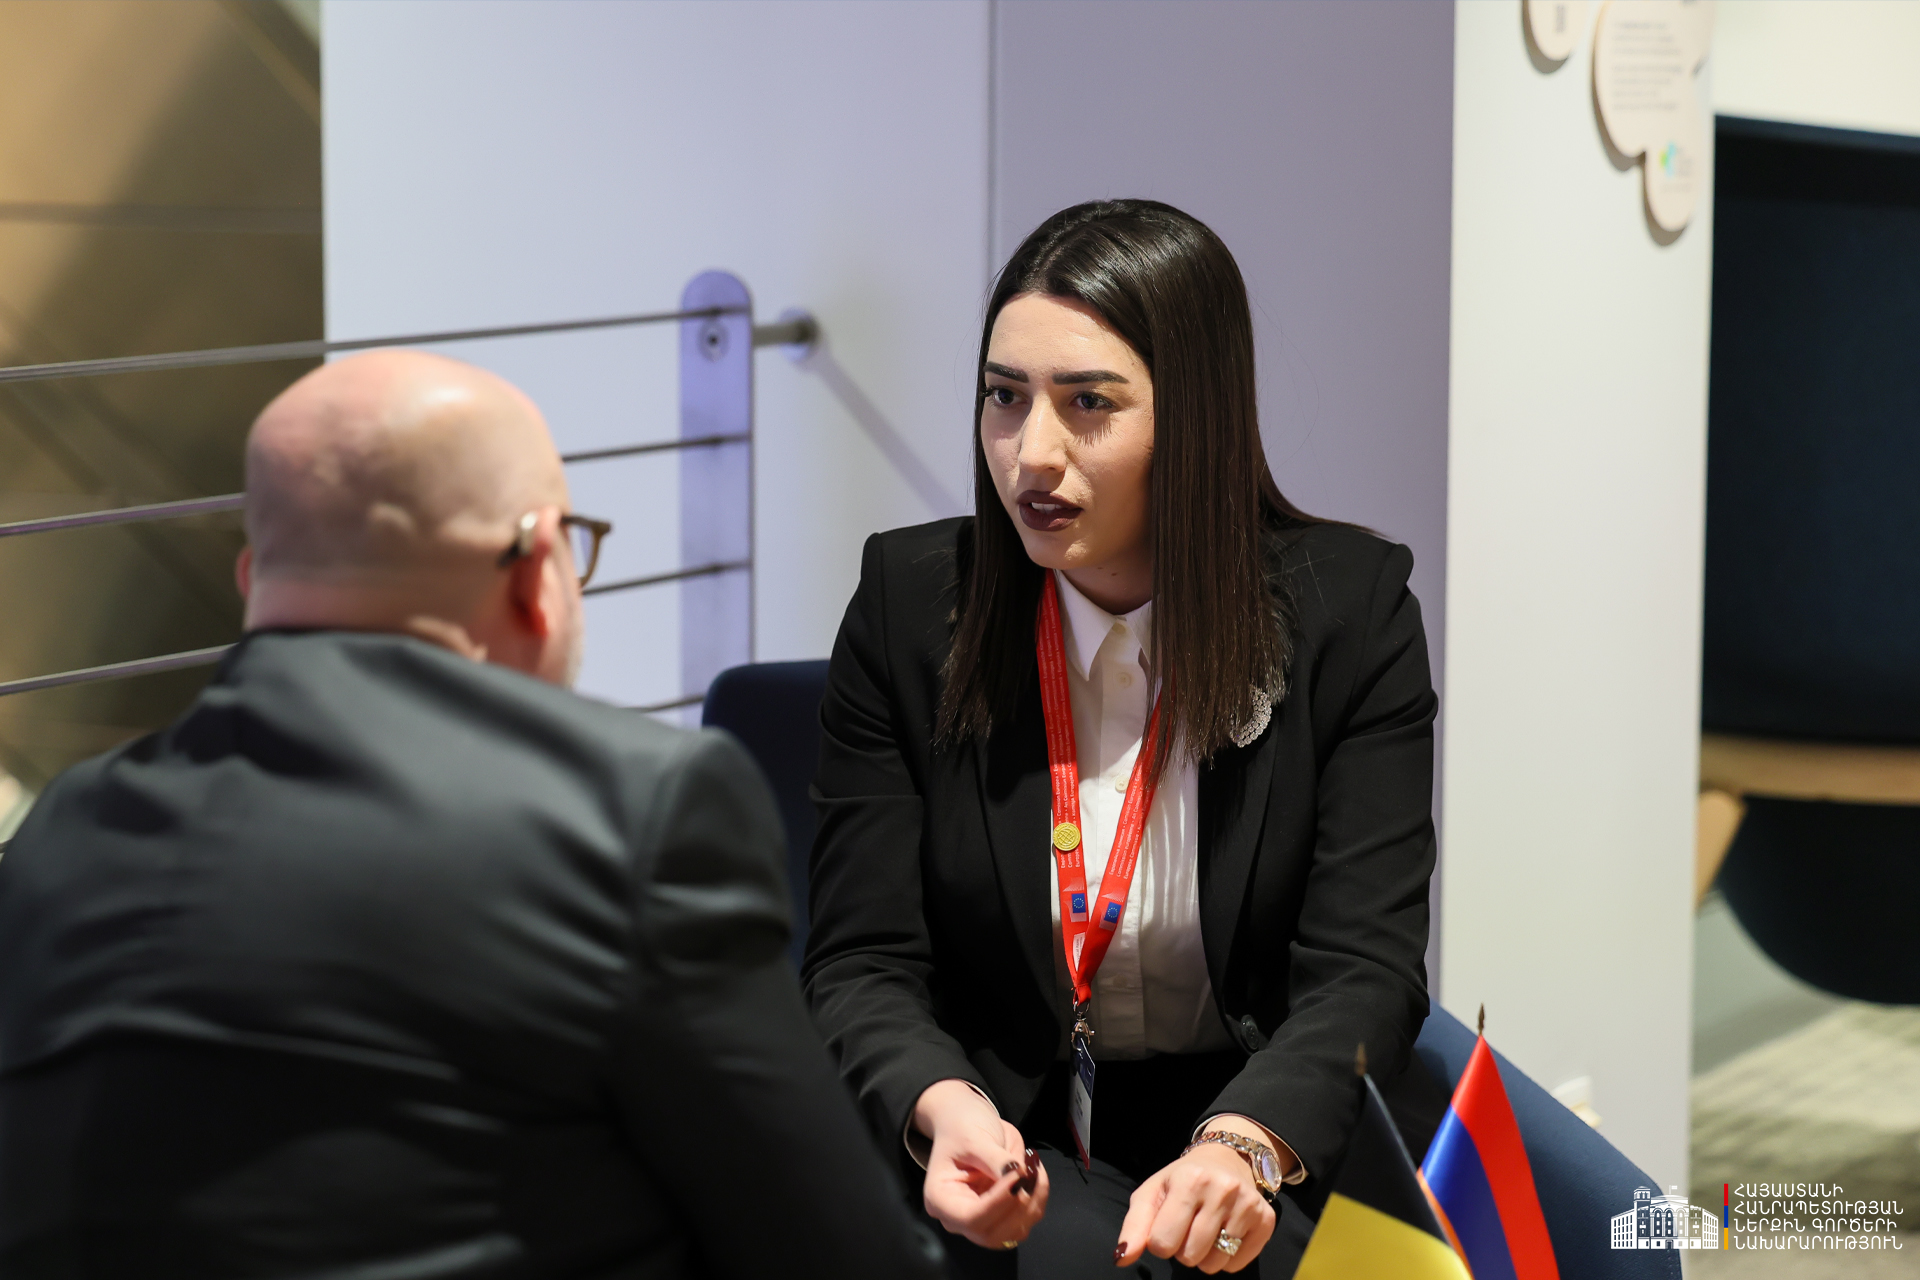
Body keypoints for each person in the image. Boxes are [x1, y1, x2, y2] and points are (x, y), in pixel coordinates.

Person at [0, 351, 945, 1280]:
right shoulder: (626, 812)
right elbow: (836, 1251)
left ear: (253, 581)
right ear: (537, 568)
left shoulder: (61, 832)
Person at [803, 200, 1437, 1278]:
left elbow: (1364, 967)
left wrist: (1246, 1144)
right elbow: (862, 958)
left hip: (1251, 1121)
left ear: (1195, 418)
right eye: (1004, 397)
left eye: (1088, 403)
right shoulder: (908, 607)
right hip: (1006, 1115)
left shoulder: (1353, 614)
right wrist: (943, 1107)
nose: (1030, 455)